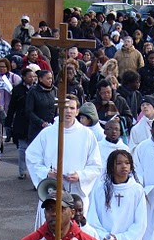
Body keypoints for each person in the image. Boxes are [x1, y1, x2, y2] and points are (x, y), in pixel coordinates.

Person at [26, 95, 102, 228]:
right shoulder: (47, 133)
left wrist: (80, 175)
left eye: (72, 108)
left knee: (75, 233)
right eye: (65, 108)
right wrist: (46, 173)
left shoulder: (87, 135)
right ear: (59, 109)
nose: (68, 111)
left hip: (76, 192)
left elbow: (95, 165)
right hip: (52, 190)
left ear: (77, 111)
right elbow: (32, 157)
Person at [8, 67, 37, 179]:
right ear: (24, 77)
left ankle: (33, 171)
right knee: (22, 148)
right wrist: (8, 122)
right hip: (21, 121)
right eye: (30, 77)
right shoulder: (18, 90)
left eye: (34, 76)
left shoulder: (37, 89)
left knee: (34, 149)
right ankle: (22, 170)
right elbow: (12, 107)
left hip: (34, 121)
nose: (32, 79)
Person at [25, 70, 57, 144]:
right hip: (37, 128)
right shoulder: (33, 91)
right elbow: (29, 111)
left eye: (51, 78)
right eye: (48, 78)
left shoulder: (54, 90)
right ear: (40, 79)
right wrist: (41, 122)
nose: (50, 81)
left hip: (52, 126)